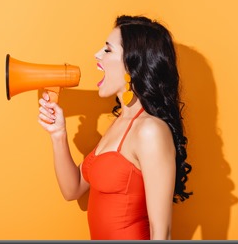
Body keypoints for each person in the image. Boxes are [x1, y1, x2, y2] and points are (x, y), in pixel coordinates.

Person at [37, 15, 192, 240]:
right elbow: (72, 190)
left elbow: (162, 233)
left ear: (133, 63)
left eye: (107, 50)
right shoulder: (119, 123)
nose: (97, 55)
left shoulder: (150, 131)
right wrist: (58, 134)